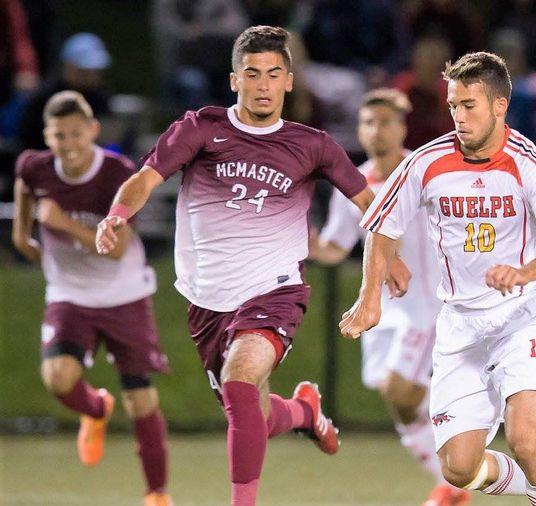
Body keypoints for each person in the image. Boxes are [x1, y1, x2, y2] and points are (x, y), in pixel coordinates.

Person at [95, 26, 376, 506]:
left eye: (273, 74)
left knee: (240, 380)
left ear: (289, 80)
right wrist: (117, 215)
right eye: (252, 74)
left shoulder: (314, 145)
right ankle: (305, 413)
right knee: (252, 414)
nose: (263, 84)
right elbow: (144, 178)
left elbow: (373, 206)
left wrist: (392, 261)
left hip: (275, 289)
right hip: (208, 298)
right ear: (233, 80)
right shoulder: (201, 128)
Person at [340, 52, 536, 506]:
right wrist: (369, 298)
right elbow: (382, 225)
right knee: (459, 469)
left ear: (499, 106)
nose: (459, 116)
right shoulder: (428, 161)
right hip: (458, 326)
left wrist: (526, 271)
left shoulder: (528, 162)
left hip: (522, 318)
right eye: (453, 105)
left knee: (525, 440)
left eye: (469, 105)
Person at [310, 88, 470, 506]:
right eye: (368, 122)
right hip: (383, 311)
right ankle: (451, 483)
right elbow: (334, 248)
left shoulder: (425, 173)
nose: (376, 130)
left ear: (402, 127)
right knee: (395, 399)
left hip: (429, 308)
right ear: (359, 130)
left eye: (385, 121)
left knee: (402, 391)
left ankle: (471, 430)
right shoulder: (355, 186)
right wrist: (302, 239)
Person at [12, 91, 172, 506]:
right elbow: (25, 184)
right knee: (57, 378)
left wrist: (61, 224)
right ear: (47, 136)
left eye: (76, 133)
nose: (68, 143)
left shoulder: (117, 173)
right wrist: (22, 232)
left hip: (124, 294)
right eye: (59, 135)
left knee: (140, 398)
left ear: (93, 131)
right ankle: (96, 408)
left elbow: (115, 248)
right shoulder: (35, 166)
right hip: (70, 294)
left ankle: (156, 493)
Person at [18, 32, 112, 150]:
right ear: (68, 65)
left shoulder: (100, 98)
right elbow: (28, 139)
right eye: (84, 70)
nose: (92, 76)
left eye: (96, 71)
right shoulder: (43, 97)